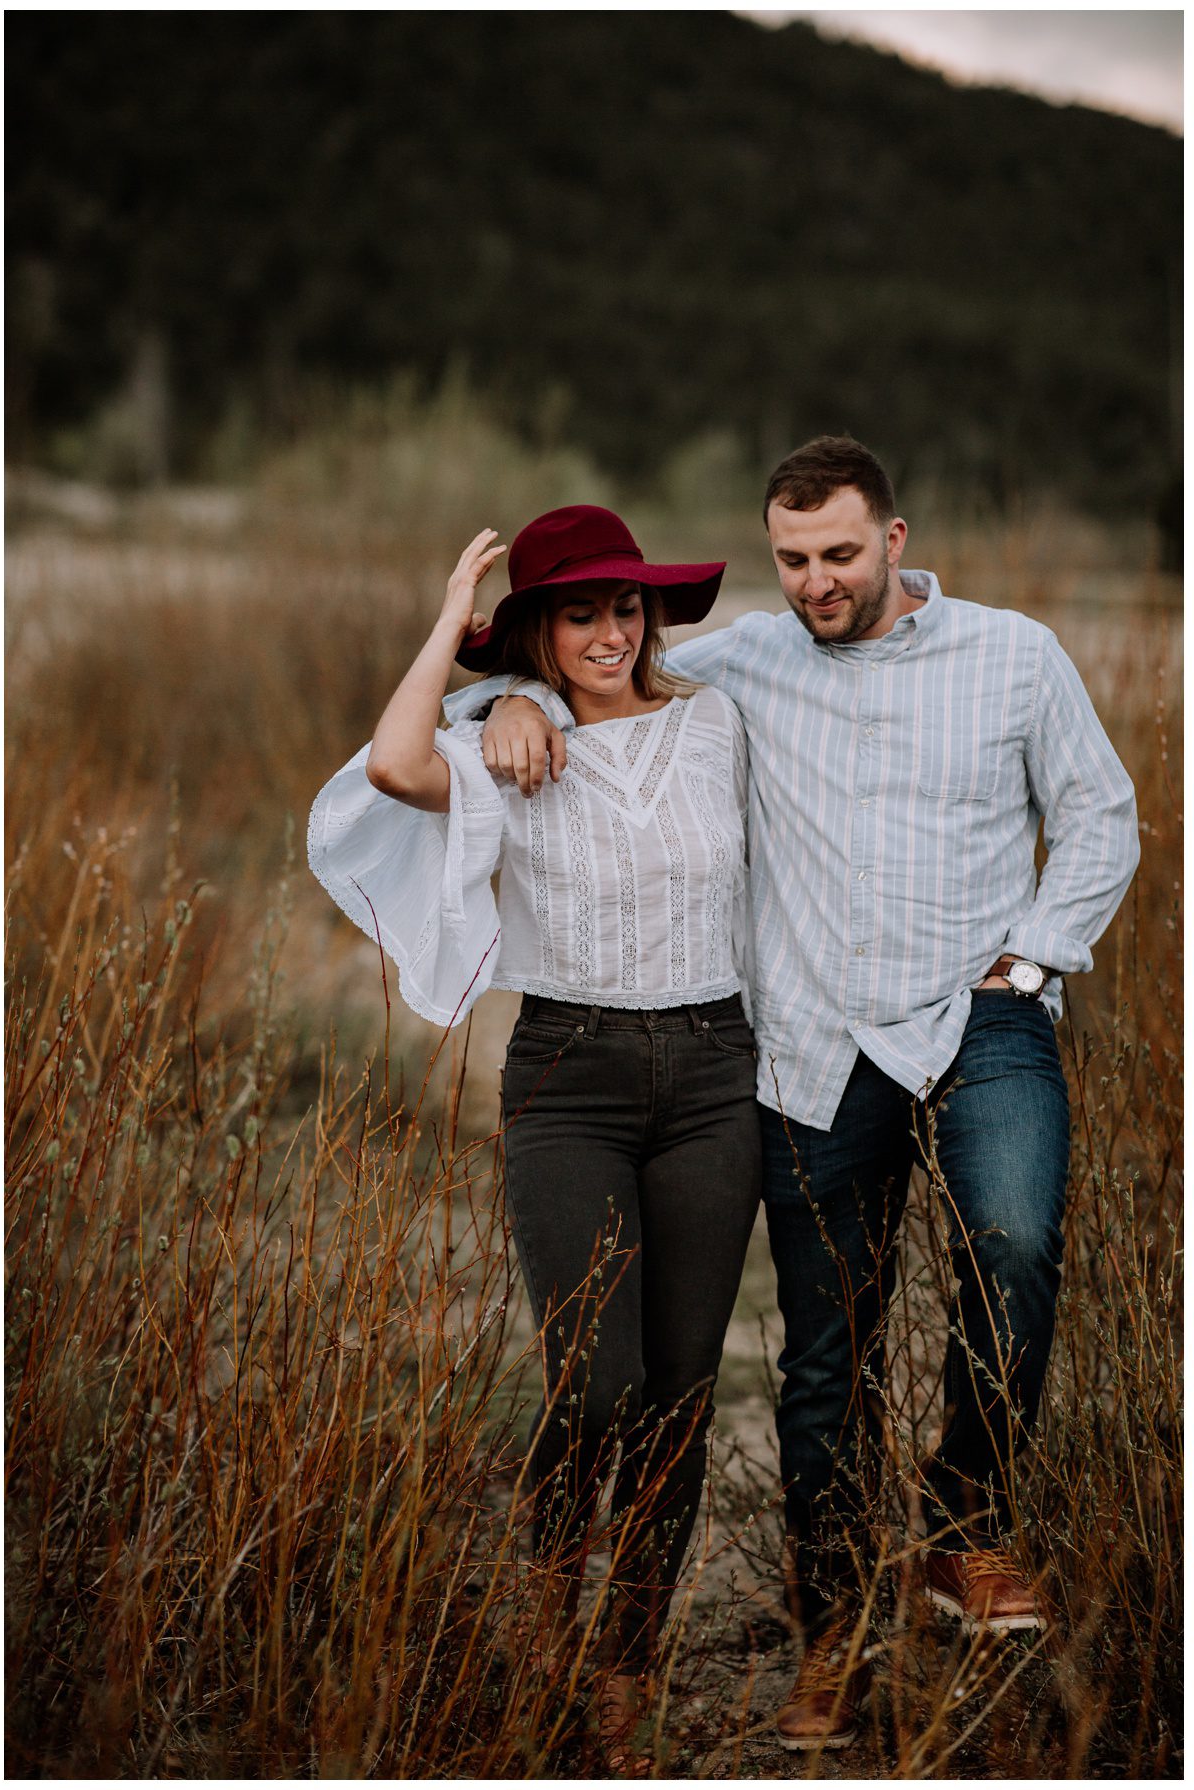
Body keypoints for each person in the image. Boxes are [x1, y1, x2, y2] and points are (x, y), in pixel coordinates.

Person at [449, 437, 1140, 1752]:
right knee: (826, 1363)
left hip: (979, 1015)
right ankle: (829, 1644)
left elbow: (1100, 814)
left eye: (839, 553)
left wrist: (1033, 955)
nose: (817, 581)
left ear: (895, 537)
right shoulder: (751, 660)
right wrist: (501, 710)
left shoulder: (1017, 655)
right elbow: (602, 676)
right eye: (792, 558)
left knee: (1018, 1239)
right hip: (818, 1046)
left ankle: (961, 1528)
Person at [308, 505, 761, 1773]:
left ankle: (624, 1661)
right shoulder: (502, 743)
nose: (611, 630)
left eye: (627, 606)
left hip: (718, 1073)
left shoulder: (716, 720)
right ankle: (545, 1609)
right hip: (572, 1076)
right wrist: (468, 642)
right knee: (596, 1377)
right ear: (537, 634)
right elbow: (395, 766)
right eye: (579, 612)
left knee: (679, 1401)